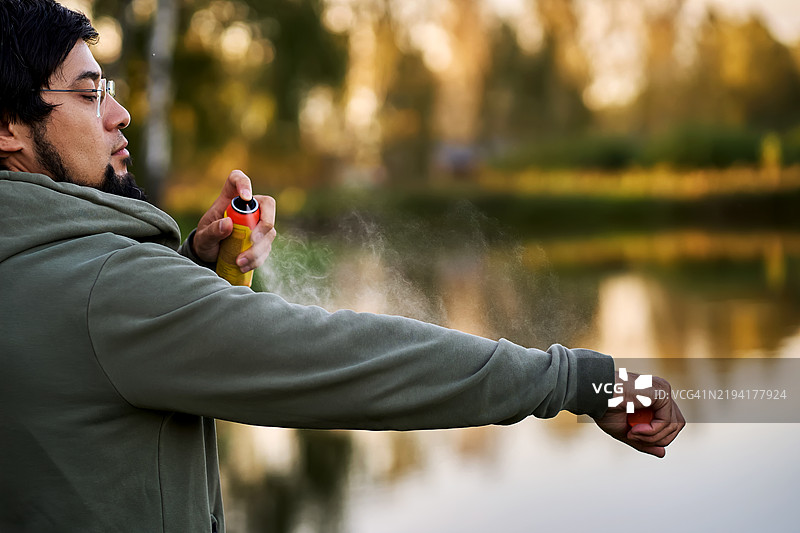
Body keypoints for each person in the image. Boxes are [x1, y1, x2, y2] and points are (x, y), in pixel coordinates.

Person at [0, 1, 685, 531]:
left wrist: (192, 274)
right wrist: (591, 384)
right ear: (9, 126)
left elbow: (82, 368)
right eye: (89, 94)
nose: (119, 113)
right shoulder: (109, 291)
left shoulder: (36, 271)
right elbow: (355, 361)